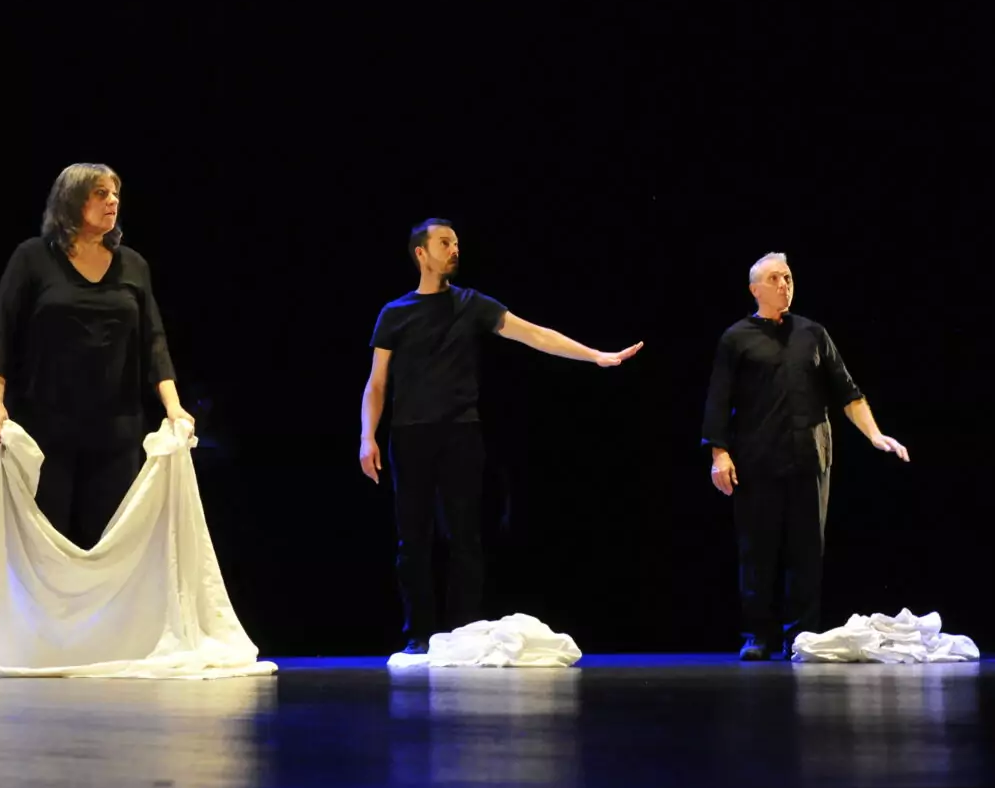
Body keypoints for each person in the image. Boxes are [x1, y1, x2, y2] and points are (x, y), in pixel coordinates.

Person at [359, 219, 644, 653]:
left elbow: (534, 334)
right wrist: (368, 435)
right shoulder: (395, 313)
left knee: (465, 538)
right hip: (411, 435)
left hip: (461, 433)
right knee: (412, 539)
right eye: (444, 243)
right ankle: (419, 634)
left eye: (456, 242)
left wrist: (595, 356)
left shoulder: (471, 304)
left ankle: (463, 631)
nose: (454, 249)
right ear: (421, 253)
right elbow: (377, 382)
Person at [701, 251, 910, 662]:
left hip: (811, 458)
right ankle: (757, 636)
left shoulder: (813, 333)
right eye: (775, 279)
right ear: (755, 289)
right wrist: (719, 454)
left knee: (807, 552)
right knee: (757, 551)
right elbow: (718, 399)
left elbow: (848, 391)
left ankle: (801, 635)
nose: (784, 284)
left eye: (789, 277)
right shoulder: (736, 338)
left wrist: (874, 434)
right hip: (757, 459)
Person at [0, 164, 194, 551]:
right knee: (44, 545)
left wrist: (174, 406)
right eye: (100, 193)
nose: (113, 201)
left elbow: (154, 341)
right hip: (46, 427)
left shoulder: (133, 264)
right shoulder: (32, 258)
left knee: (110, 545)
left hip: (116, 431)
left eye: (115, 194)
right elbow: (2, 333)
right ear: (72, 200)